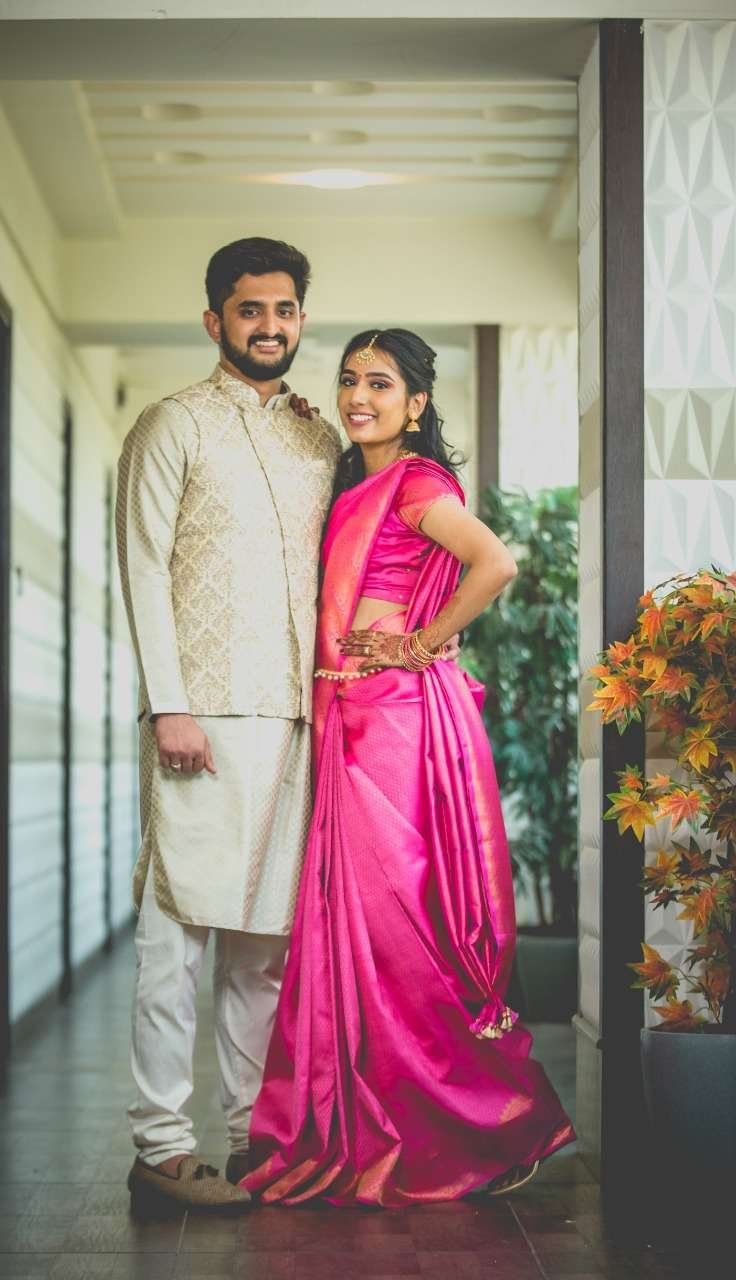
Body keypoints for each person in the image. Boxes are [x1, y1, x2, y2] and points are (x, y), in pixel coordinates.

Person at [243, 328, 576, 1208]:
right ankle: (379, 1125)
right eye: (350, 380)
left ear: (417, 402)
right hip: (344, 714)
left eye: (381, 383)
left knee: (397, 928)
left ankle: (492, 1125)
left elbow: (495, 562)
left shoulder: (417, 483)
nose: (360, 396)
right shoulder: (354, 481)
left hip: (390, 718)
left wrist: (420, 642)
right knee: (352, 931)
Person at [116, 237, 343, 1211]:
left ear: (300, 319)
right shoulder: (171, 423)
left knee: (265, 945)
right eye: (251, 309)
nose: (269, 326)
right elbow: (141, 564)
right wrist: (169, 702)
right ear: (215, 319)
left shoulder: (317, 440)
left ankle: (255, 1136)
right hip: (199, 715)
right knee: (177, 935)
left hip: (296, 716)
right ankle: (162, 1146)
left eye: (284, 310)